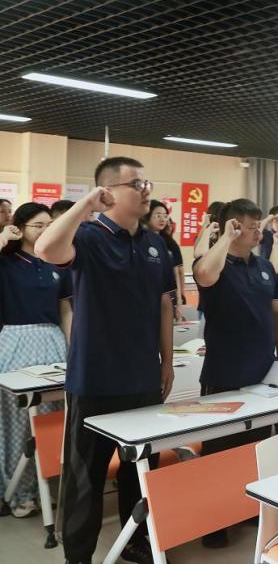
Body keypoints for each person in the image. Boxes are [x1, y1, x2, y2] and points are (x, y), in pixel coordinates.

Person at [36, 156, 177, 564]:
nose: (146, 191)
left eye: (147, 183)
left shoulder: (154, 243)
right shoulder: (89, 237)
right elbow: (46, 248)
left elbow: (164, 305)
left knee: (139, 469)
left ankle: (136, 542)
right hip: (94, 379)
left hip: (143, 378)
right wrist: (85, 205)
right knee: (86, 477)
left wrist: (166, 363)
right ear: (108, 192)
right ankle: (78, 555)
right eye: (137, 184)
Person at [192, 198, 278, 548]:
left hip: (262, 373)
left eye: (258, 224)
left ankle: (245, 508)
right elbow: (204, 274)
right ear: (233, 227)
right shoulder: (215, 262)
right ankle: (213, 523)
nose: (257, 231)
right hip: (224, 373)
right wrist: (224, 238)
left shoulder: (263, 267)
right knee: (219, 451)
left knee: (254, 448)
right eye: (249, 226)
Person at [0, 204, 72, 518]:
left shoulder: (56, 262)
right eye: (37, 225)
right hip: (15, 342)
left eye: (49, 225)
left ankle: (42, 488)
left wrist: (72, 348)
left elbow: (66, 309)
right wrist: (3, 238)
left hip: (53, 343)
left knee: (50, 421)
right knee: (17, 424)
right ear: (20, 228)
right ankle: (17, 493)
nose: (44, 230)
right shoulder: (7, 261)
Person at [144, 201, 186, 322]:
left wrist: (179, 301)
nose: (162, 219)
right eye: (158, 215)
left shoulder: (169, 243)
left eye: (165, 216)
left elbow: (176, 273)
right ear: (147, 216)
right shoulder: (140, 240)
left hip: (167, 297)